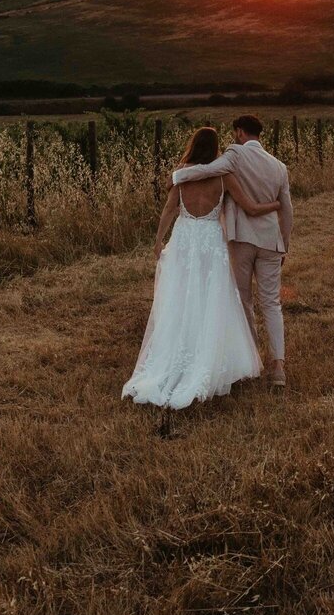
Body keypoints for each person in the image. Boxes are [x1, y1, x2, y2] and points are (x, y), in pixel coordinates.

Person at [122, 126, 281, 410]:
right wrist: (276, 203)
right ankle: (208, 357)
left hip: (184, 239)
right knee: (212, 298)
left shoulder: (182, 173)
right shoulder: (223, 176)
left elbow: (169, 210)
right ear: (216, 148)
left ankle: (176, 358)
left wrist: (158, 241)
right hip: (210, 240)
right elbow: (249, 207)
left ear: (193, 145)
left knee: (181, 297)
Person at [170, 115, 294, 387]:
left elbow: (207, 170)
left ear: (239, 132)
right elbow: (287, 210)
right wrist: (284, 244)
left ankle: (252, 360)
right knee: (272, 303)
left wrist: (177, 176)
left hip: (241, 239)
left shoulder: (234, 154)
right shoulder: (280, 167)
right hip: (271, 240)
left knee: (243, 301)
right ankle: (278, 367)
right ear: (259, 135)